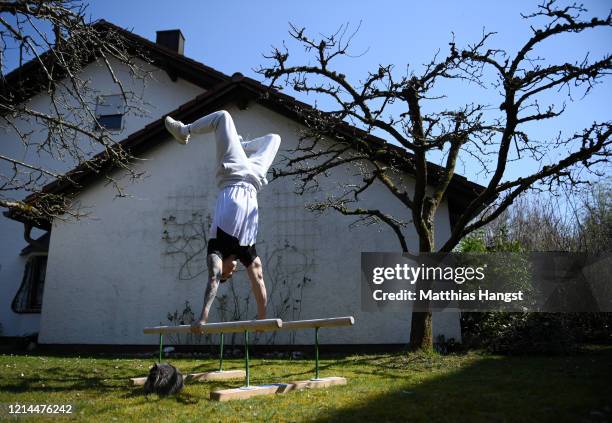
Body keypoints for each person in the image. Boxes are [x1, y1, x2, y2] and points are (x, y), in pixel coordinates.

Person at [164, 110, 281, 327]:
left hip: (232, 174)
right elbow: (259, 281)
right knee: (274, 139)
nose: (233, 270)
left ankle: (183, 131)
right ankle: (241, 145)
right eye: (233, 273)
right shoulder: (248, 252)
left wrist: (204, 316)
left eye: (229, 273)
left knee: (222, 117)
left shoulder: (216, 249)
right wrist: (263, 318)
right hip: (255, 178)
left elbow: (213, 279)